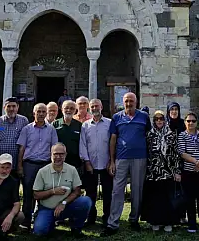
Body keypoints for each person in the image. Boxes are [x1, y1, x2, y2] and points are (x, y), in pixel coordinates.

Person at [103, 92, 151, 236]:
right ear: (123, 102)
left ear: (136, 102)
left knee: (137, 190)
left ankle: (134, 219)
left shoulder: (144, 117)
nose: (129, 104)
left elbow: (149, 136)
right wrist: (112, 161)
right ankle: (113, 223)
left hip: (140, 158)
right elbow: (113, 139)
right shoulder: (117, 117)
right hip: (121, 159)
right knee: (117, 191)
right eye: (126, 101)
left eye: (131, 101)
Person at [32, 143, 92, 237]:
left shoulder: (71, 169)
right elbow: (36, 195)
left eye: (61, 154)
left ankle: (76, 228)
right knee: (40, 231)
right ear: (50, 154)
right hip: (47, 209)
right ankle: (49, 223)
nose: (58, 157)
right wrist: (53, 191)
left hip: (66, 207)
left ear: (65, 155)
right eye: (55, 154)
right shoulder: (42, 171)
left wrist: (64, 203)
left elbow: (77, 191)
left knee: (85, 201)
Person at [16, 103, 59, 229]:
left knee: (45, 194)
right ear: (33, 113)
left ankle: (42, 220)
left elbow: (54, 148)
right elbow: (22, 149)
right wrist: (19, 166)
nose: (40, 114)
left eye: (43, 112)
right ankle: (26, 222)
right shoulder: (27, 129)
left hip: (45, 165)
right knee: (28, 194)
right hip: (29, 164)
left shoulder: (51, 129)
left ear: (46, 114)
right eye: (38, 112)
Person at [142, 110, 181, 232]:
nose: (159, 121)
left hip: (168, 171)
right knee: (155, 198)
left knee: (167, 198)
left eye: (161, 119)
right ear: (153, 121)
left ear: (165, 120)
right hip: (153, 172)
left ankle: (168, 222)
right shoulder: (149, 135)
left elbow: (175, 154)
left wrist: (177, 171)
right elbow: (146, 153)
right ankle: (155, 221)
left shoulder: (171, 134)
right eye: (157, 119)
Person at [79, 98, 112, 227]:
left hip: (106, 164)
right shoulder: (85, 125)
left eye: (96, 106)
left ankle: (107, 217)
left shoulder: (109, 123)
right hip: (91, 164)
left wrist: (111, 161)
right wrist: (86, 162)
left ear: (101, 107)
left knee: (108, 192)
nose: (94, 109)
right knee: (90, 192)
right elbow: (83, 144)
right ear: (89, 108)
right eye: (92, 107)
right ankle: (91, 217)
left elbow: (112, 143)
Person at [0, 97, 29, 172]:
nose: (11, 109)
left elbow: (26, 143)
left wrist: (21, 165)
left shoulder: (23, 121)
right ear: (4, 107)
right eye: (8, 106)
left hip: (14, 164)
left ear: (18, 107)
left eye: (14, 106)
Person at [53, 100, 82, 169]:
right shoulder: (55, 124)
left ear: (75, 110)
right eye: (66, 108)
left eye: (72, 108)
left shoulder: (79, 125)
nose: (69, 110)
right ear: (62, 109)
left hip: (75, 162)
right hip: (59, 161)